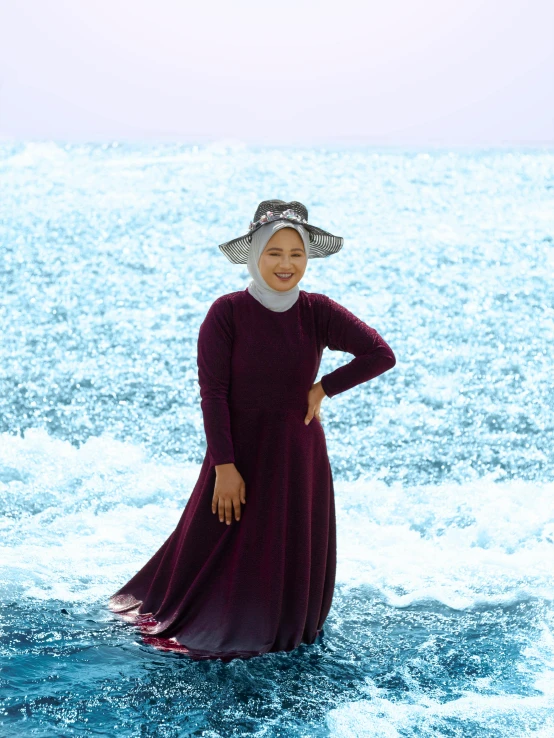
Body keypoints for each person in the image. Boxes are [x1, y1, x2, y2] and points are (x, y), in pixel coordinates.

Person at [107, 199, 396, 661]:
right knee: (218, 542)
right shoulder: (226, 313)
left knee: (284, 543)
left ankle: (280, 621)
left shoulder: (318, 311)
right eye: (274, 253)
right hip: (236, 451)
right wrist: (224, 466)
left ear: (308, 258)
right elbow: (213, 393)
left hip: (297, 454)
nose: (286, 264)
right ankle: (219, 617)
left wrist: (323, 388)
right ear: (254, 254)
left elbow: (380, 353)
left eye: (296, 254)